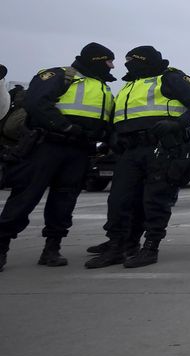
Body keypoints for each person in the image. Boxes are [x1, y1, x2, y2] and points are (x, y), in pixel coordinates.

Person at [84, 46, 190, 269]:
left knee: (155, 200)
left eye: (131, 60)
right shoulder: (130, 84)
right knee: (119, 200)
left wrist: (177, 123)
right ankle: (118, 246)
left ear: (144, 60)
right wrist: (113, 138)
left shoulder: (170, 78)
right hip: (130, 150)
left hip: (161, 149)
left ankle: (150, 247)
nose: (126, 64)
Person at [0, 44, 116, 271]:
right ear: (96, 60)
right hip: (46, 147)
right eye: (108, 61)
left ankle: (52, 248)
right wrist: (66, 126)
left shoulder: (103, 88)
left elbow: (106, 120)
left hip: (79, 152)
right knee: (25, 197)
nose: (112, 66)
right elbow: (36, 103)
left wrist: (106, 140)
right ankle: (1, 246)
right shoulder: (60, 75)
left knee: (64, 201)